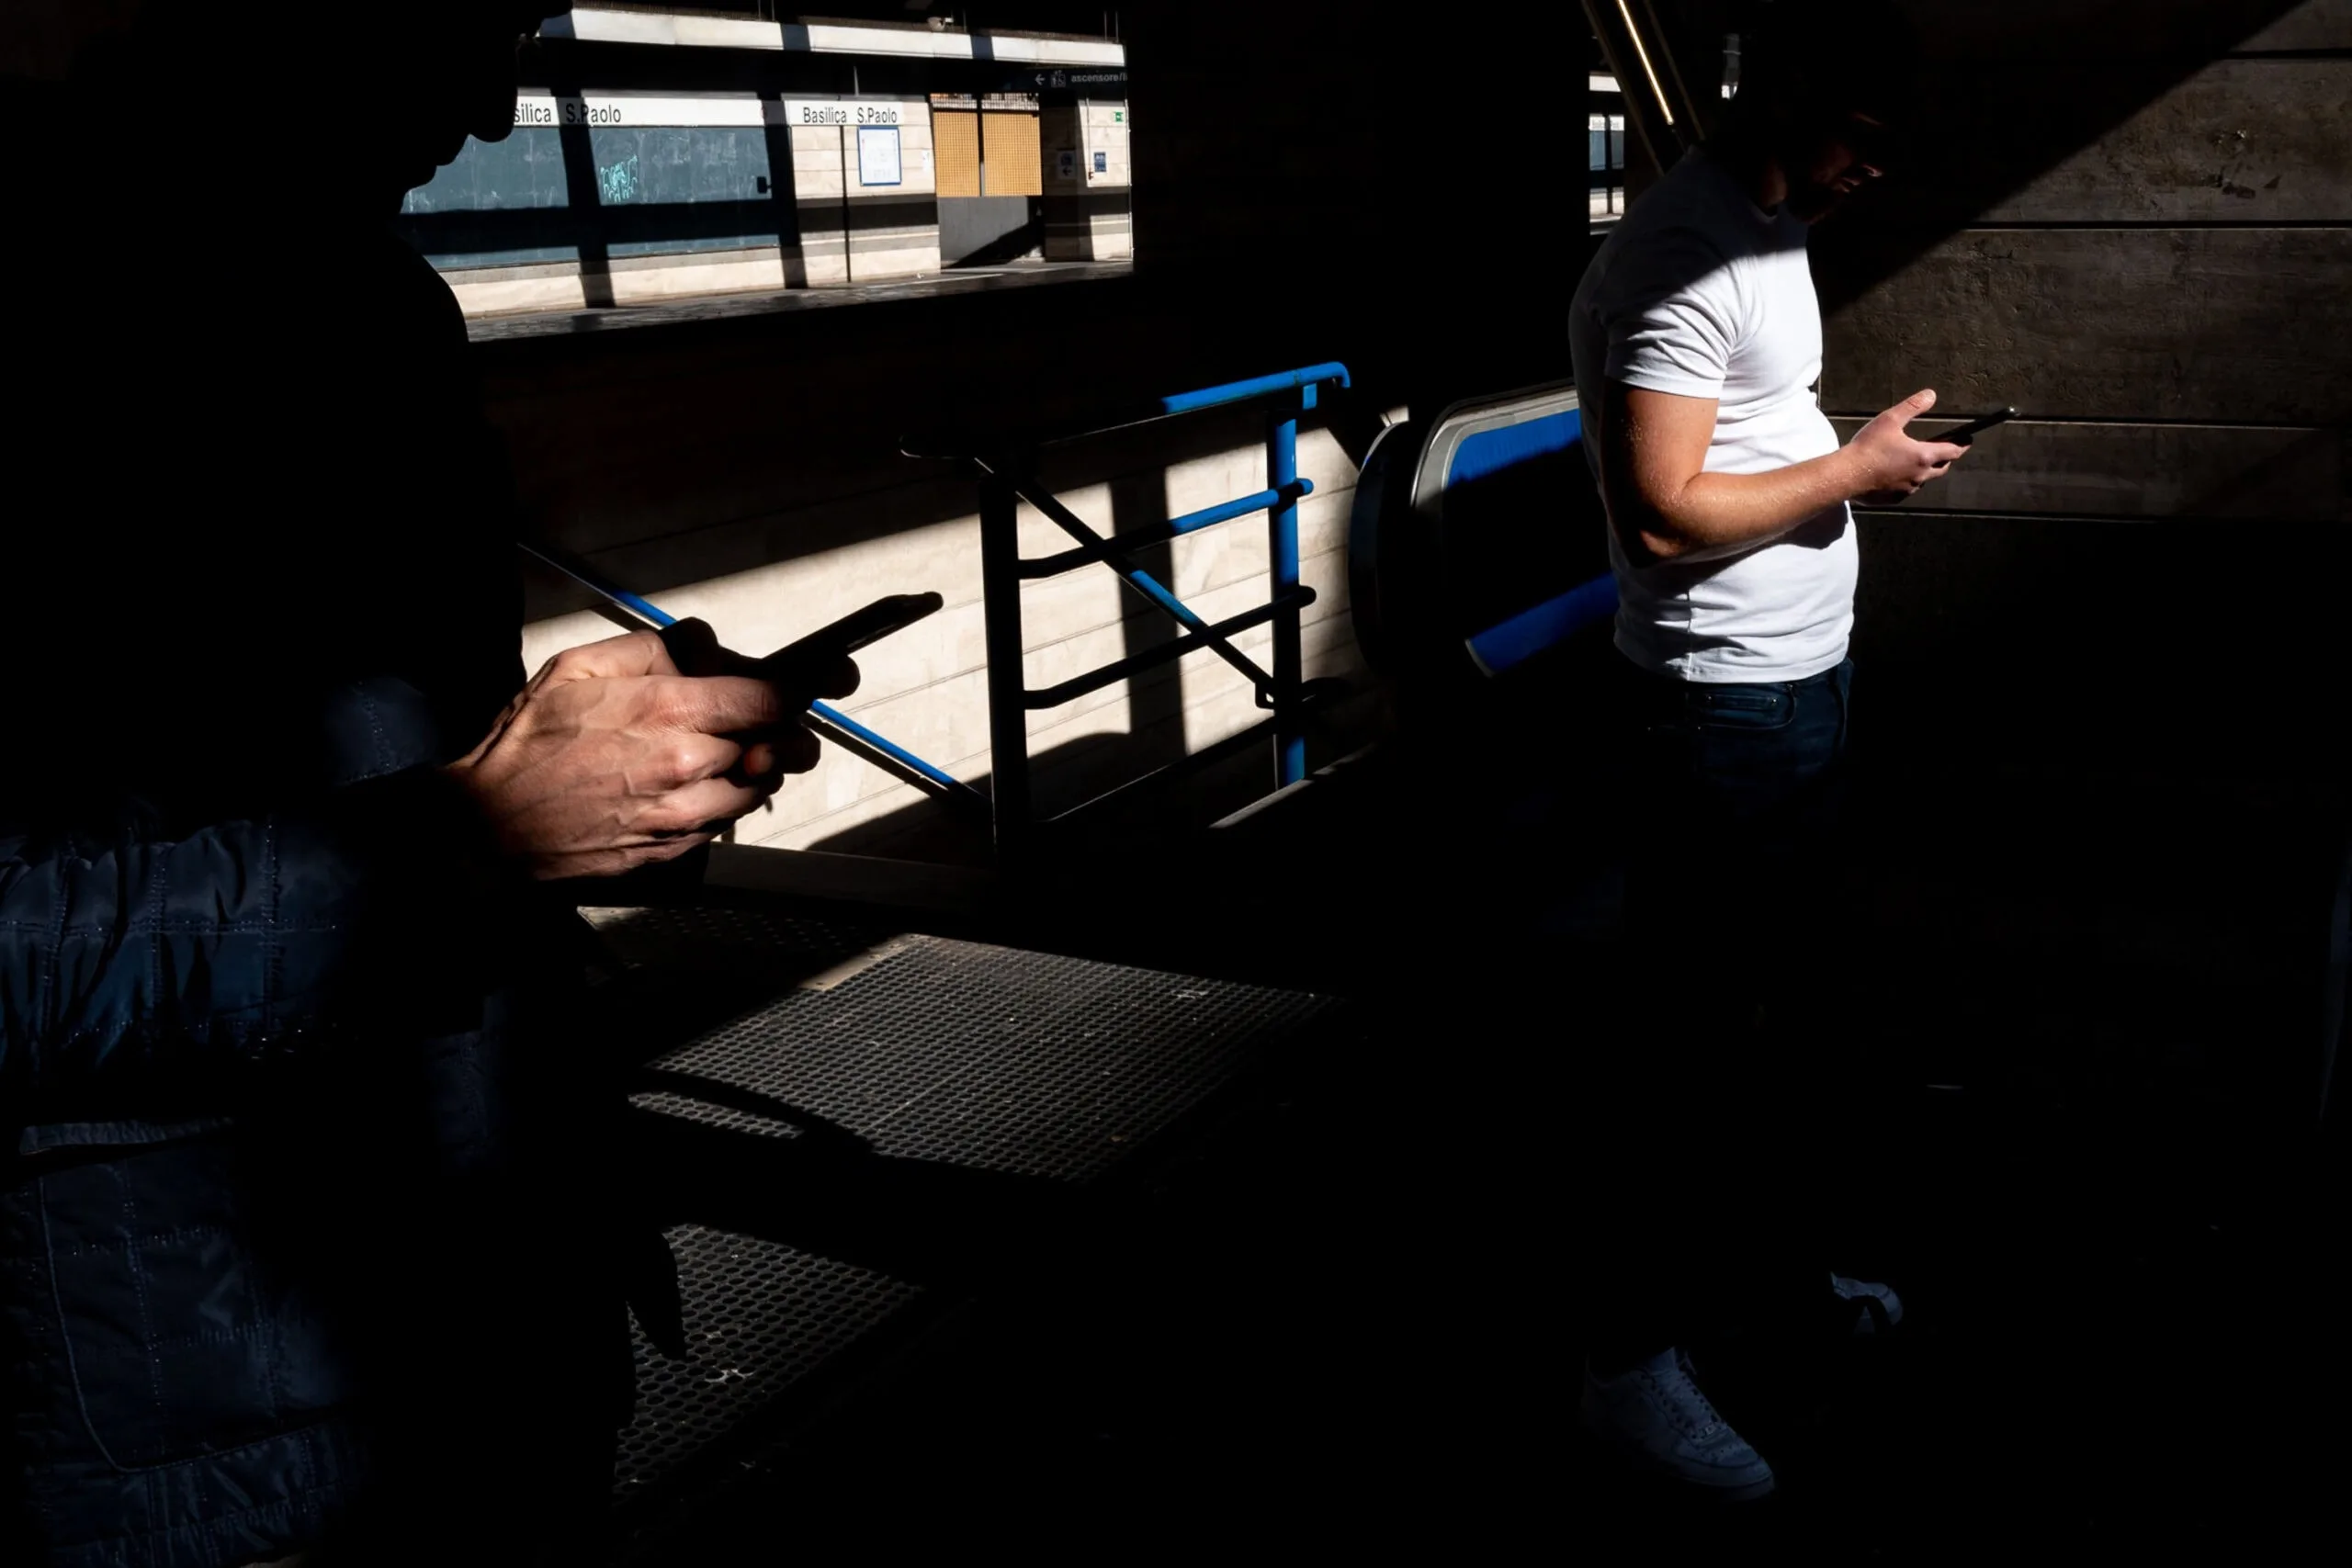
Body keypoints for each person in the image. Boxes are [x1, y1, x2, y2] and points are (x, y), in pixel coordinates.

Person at [0, 6, 855, 1563]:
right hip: (204, 1433)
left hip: (503, 1322)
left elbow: (418, 769)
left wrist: (613, 786)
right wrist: (470, 839)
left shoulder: (375, 304)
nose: (492, 110)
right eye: (455, 18)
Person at [1566, 1, 1959, 1501]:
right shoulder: (1681, 254)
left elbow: (1736, 431)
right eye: (1867, 137)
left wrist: (1841, 456)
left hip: (1793, 692)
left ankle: (1769, 1288)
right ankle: (1623, 1364)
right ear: (1789, 94)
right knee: (1686, 1045)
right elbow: (1663, 515)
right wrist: (1855, 467)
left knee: (1775, 1027)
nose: (1880, 169)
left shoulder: (1766, 219)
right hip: (1719, 713)